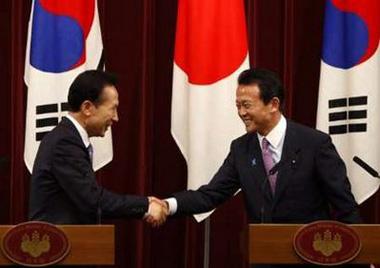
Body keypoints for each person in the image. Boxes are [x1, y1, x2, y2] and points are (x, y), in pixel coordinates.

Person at [162, 68, 363, 267]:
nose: (241, 113)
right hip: (265, 259)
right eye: (238, 105)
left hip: (311, 258)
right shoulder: (241, 149)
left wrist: (362, 259)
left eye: (247, 105)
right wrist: (167, 205)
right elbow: (209, 195)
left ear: (273, 104)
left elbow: (344, 205)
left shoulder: (314, 144)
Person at [29, 70, 167, 226]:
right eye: (113, 108)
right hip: (58, 245)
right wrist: (145, 205)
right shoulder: (64, 143)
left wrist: (145, 203)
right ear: (87, 107)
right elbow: (93, 200)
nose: (116, 117)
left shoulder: (69, 138)